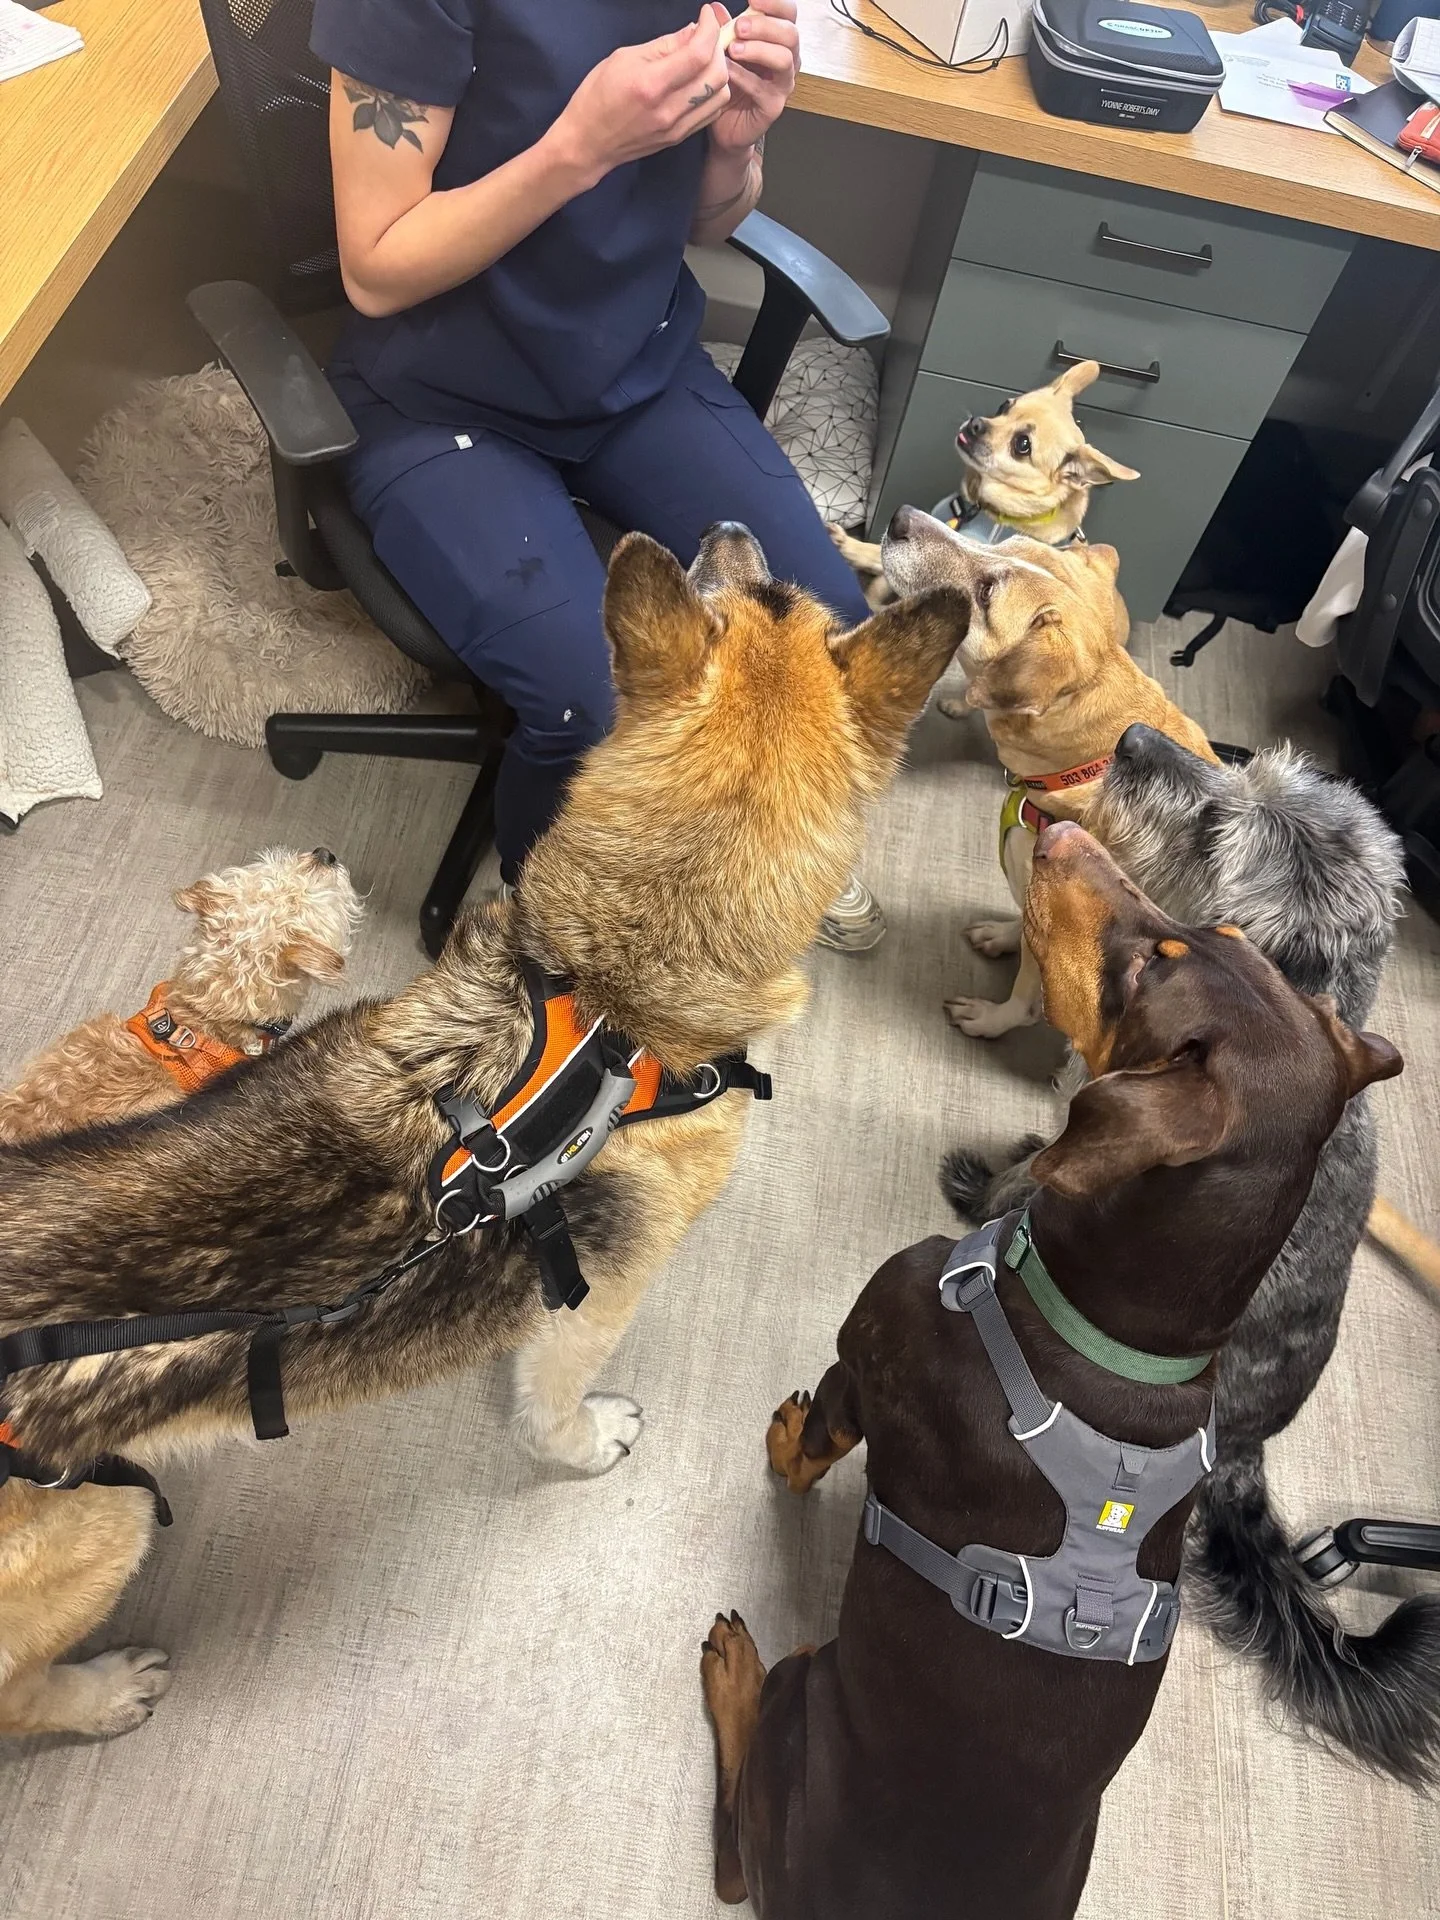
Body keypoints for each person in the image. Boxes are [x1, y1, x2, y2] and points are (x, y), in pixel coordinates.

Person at [309, 0, 887, 950]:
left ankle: (741, 847)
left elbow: (706, 219)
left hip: (630, 362)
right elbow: (375, 267)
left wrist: (734, 153)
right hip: (437, 389)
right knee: (596, 710)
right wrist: (581, 145)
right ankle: (551, 947)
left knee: (822, 640)